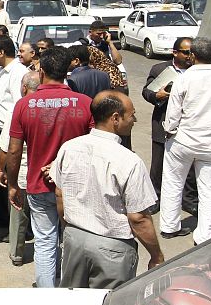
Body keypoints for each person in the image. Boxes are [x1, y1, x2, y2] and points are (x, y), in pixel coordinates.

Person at [51, 91, 163, 289]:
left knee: (73, 301)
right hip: (113, 249)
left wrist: (70, 230)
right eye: (132, 115)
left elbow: (60, 195)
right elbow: (138, 218)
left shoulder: (69, 148)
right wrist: (156, 255)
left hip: (74, 239)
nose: (135, 120)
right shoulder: (129, 161)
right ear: (115, 118)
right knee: (108, 304)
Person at [7, 46, 94, 287]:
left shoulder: (24, 105)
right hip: (75, 187)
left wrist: (13, 185)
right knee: (72, 241)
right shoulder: (85, 104)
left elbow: (14, 150)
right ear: (67, 71)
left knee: (45, 241)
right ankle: (71, 287)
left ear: (42, 72)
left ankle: (47, 292)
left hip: (38, 185)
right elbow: (93, 146)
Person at [161, 36, 211, 246]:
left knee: (173, 182)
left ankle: (169, 227)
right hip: (210, 144)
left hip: (182, 141)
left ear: (192, 55)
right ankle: (204, 236)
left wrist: (169, 130)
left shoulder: (185, 78)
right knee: (209, 189)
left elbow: (173, 112)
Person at [142, 37, 197, 215]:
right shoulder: (160, 69)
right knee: (158, 164)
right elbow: (146, 91)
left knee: (189, 167)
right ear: (175, 52)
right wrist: (156, 96)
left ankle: (188, 200)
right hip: (163, 122)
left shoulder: (196, 71)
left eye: (192, 53)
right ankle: (155, 198)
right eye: (186, 52)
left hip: (188, 125)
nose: (189, 56)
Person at [0, 35, 29, 229]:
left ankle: (15, 225)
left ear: (1, 52)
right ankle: (0, 216)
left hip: (7, 133)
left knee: (7, 179)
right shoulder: (3, 71)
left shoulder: (18, 73)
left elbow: (20, 105)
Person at [0, 71, 39, 266]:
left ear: (24, 87)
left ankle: (17, 254)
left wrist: (1, 169)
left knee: (18, 213)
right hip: (44, 172)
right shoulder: (49, 106)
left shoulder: (18, 108)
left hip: (21, 171)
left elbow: (8, 147)